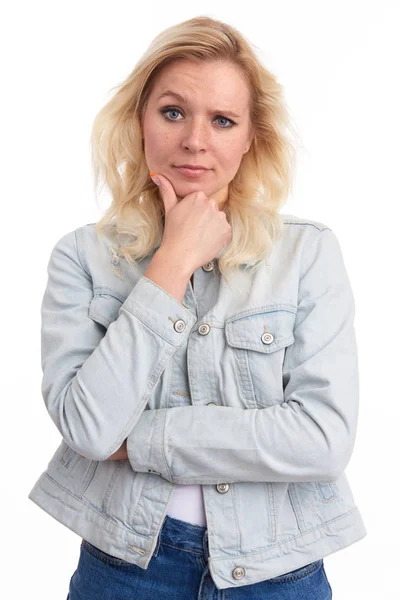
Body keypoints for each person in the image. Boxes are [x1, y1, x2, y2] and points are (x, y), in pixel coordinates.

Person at [28, 15, 367, 599]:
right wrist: (171, 264)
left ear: (251, 137)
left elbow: (323, 438)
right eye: (173, 111)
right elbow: (87, 427)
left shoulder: (307, 254)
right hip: (124, 570)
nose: (195, 141)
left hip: (277, 573)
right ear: (140, 120)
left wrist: (139, 442)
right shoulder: (82, 257)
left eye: (223, 120)